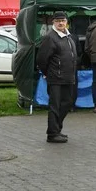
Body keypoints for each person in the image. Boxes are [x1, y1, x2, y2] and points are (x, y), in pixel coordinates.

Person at [36, 11, 77, 143]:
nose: (61, 23)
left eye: (63, 20)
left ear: (66, 22)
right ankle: (53, 134)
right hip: (56, 78)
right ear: (53, 22)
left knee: (68, 103)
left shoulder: (69, 37)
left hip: (69, 77)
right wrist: (48, 73)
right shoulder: (50, 37)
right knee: (55, 105)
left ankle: (56, 129)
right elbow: (42, 59)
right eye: (58, 21)